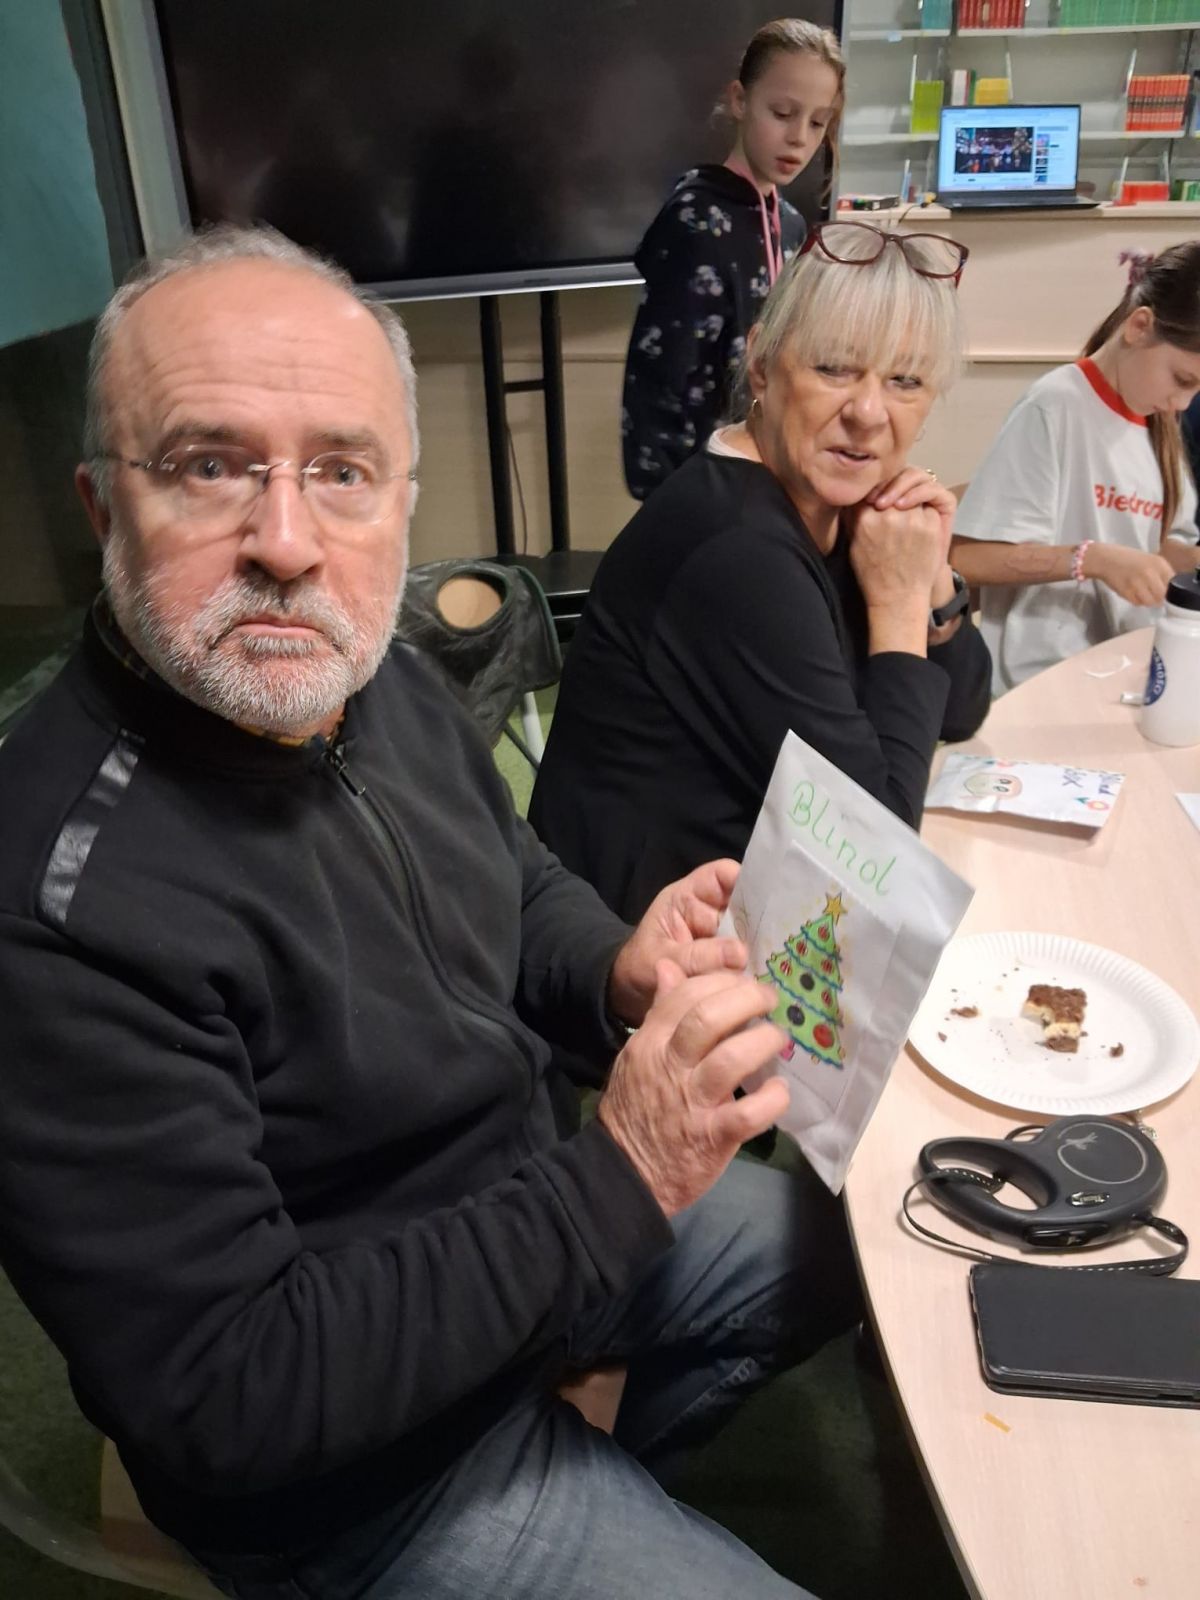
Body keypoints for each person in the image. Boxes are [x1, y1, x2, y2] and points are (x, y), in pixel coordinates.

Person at [0, 226, 863, 1600]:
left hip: (534, 1224)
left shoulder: (364, 669)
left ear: (403, 499)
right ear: (105, 509)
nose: (287, 544)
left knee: (858, 1252)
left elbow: (509, 876)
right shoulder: (57, 905)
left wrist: (617, 967)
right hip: (358, 1474)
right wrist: (620, 1178)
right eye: (211, 465)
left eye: (342, 472)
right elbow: (228, 1391)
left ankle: (601, 1468)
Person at [531, 222, 992, 923]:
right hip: (639, 945)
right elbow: (876, 852)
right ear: (761, 368)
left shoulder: (835, 498)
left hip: (749, 898)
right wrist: (899, 605)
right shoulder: (737, 546)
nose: (869, 413)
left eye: (905, 380)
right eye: (835, 369)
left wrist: (932, 577)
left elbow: (961, 711)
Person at [952, 243, 1200, 695]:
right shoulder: (1056, 406)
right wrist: (1093, 559)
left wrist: (1187, 560)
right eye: (1182, 380)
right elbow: (966, 559)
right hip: (1038, 687)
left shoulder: (1159, 428)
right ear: (1139, 327)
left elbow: (1156, 542)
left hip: (1124, 676)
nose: (1182, 403)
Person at [622, 18, 844, 501]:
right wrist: (677, 499)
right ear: (740, 100)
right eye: (782, 113)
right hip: (704, 487)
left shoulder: (790, 225)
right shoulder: (695, 219)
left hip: (768, 474)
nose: (799, 138)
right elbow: (664, 380)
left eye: (817, 122)